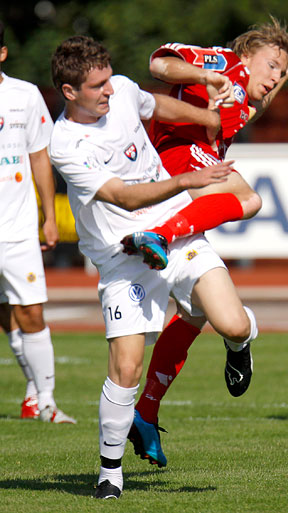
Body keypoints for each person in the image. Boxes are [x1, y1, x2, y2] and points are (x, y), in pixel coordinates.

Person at [49, 35, 258, 499]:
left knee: (233, 324)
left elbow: (155, 107)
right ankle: (109, 472)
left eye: (108, 80)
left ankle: (241, 343)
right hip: (123, 258)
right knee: (126, 368)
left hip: (173, 233)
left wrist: (209, 118)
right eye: (96, 86)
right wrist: (188, 179)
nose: (109, 91)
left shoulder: (122, 90)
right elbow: (122, 196)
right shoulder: (64, 142)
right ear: (69, 92)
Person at [126, 17, 288, 468]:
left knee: (218, 321)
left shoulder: (243, 97)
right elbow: (159, 64)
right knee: (250, 197)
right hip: (170, 172)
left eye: (279, 71)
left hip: (185, 203)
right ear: (246, 54)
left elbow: (254, 103)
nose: (274, 77)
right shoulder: (221, 63)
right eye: (271, 65)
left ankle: (148, 411)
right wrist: (207, 74)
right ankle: (160, 235)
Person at [0, 21, 76, 424]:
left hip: (15, 231)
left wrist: (50, 216)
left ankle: (45, 401)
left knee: (30, 312)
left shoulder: (24, 96)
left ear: (2, 53)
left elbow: (39, 158)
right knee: (5, 315)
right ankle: (34, 396)